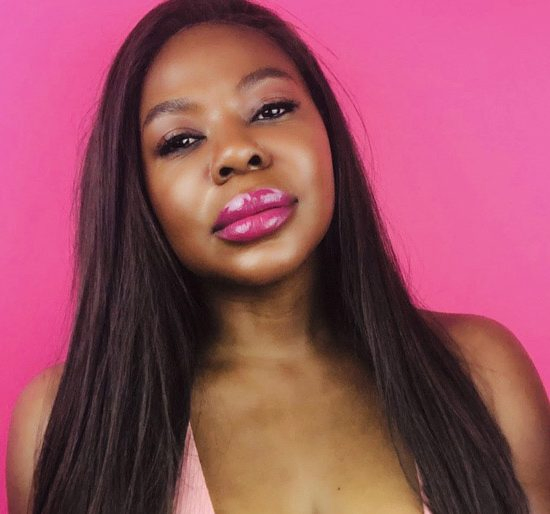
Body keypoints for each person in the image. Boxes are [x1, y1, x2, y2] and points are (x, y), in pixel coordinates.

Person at [6, 0, 550, 513]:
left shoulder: (483, 373)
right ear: (138, 190)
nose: (237, 152)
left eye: (270, 109)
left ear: (327, 131)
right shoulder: (63, 424)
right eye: (180, 140)